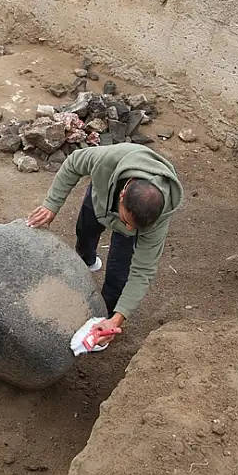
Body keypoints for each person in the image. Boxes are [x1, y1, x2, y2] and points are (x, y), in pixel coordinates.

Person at [26, 143, 183, 347]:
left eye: (133, 227)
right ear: (122, 194)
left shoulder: (157, 220)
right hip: (101, 194)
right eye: (126, 222)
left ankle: (103, 318)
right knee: (85, 232)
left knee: (119, 273)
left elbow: (143, 272)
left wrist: (118, 318)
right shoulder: (107, 160)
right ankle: (87, 261)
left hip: (123, 210)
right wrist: (52, 204)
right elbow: (73, 162)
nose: (126, 229)